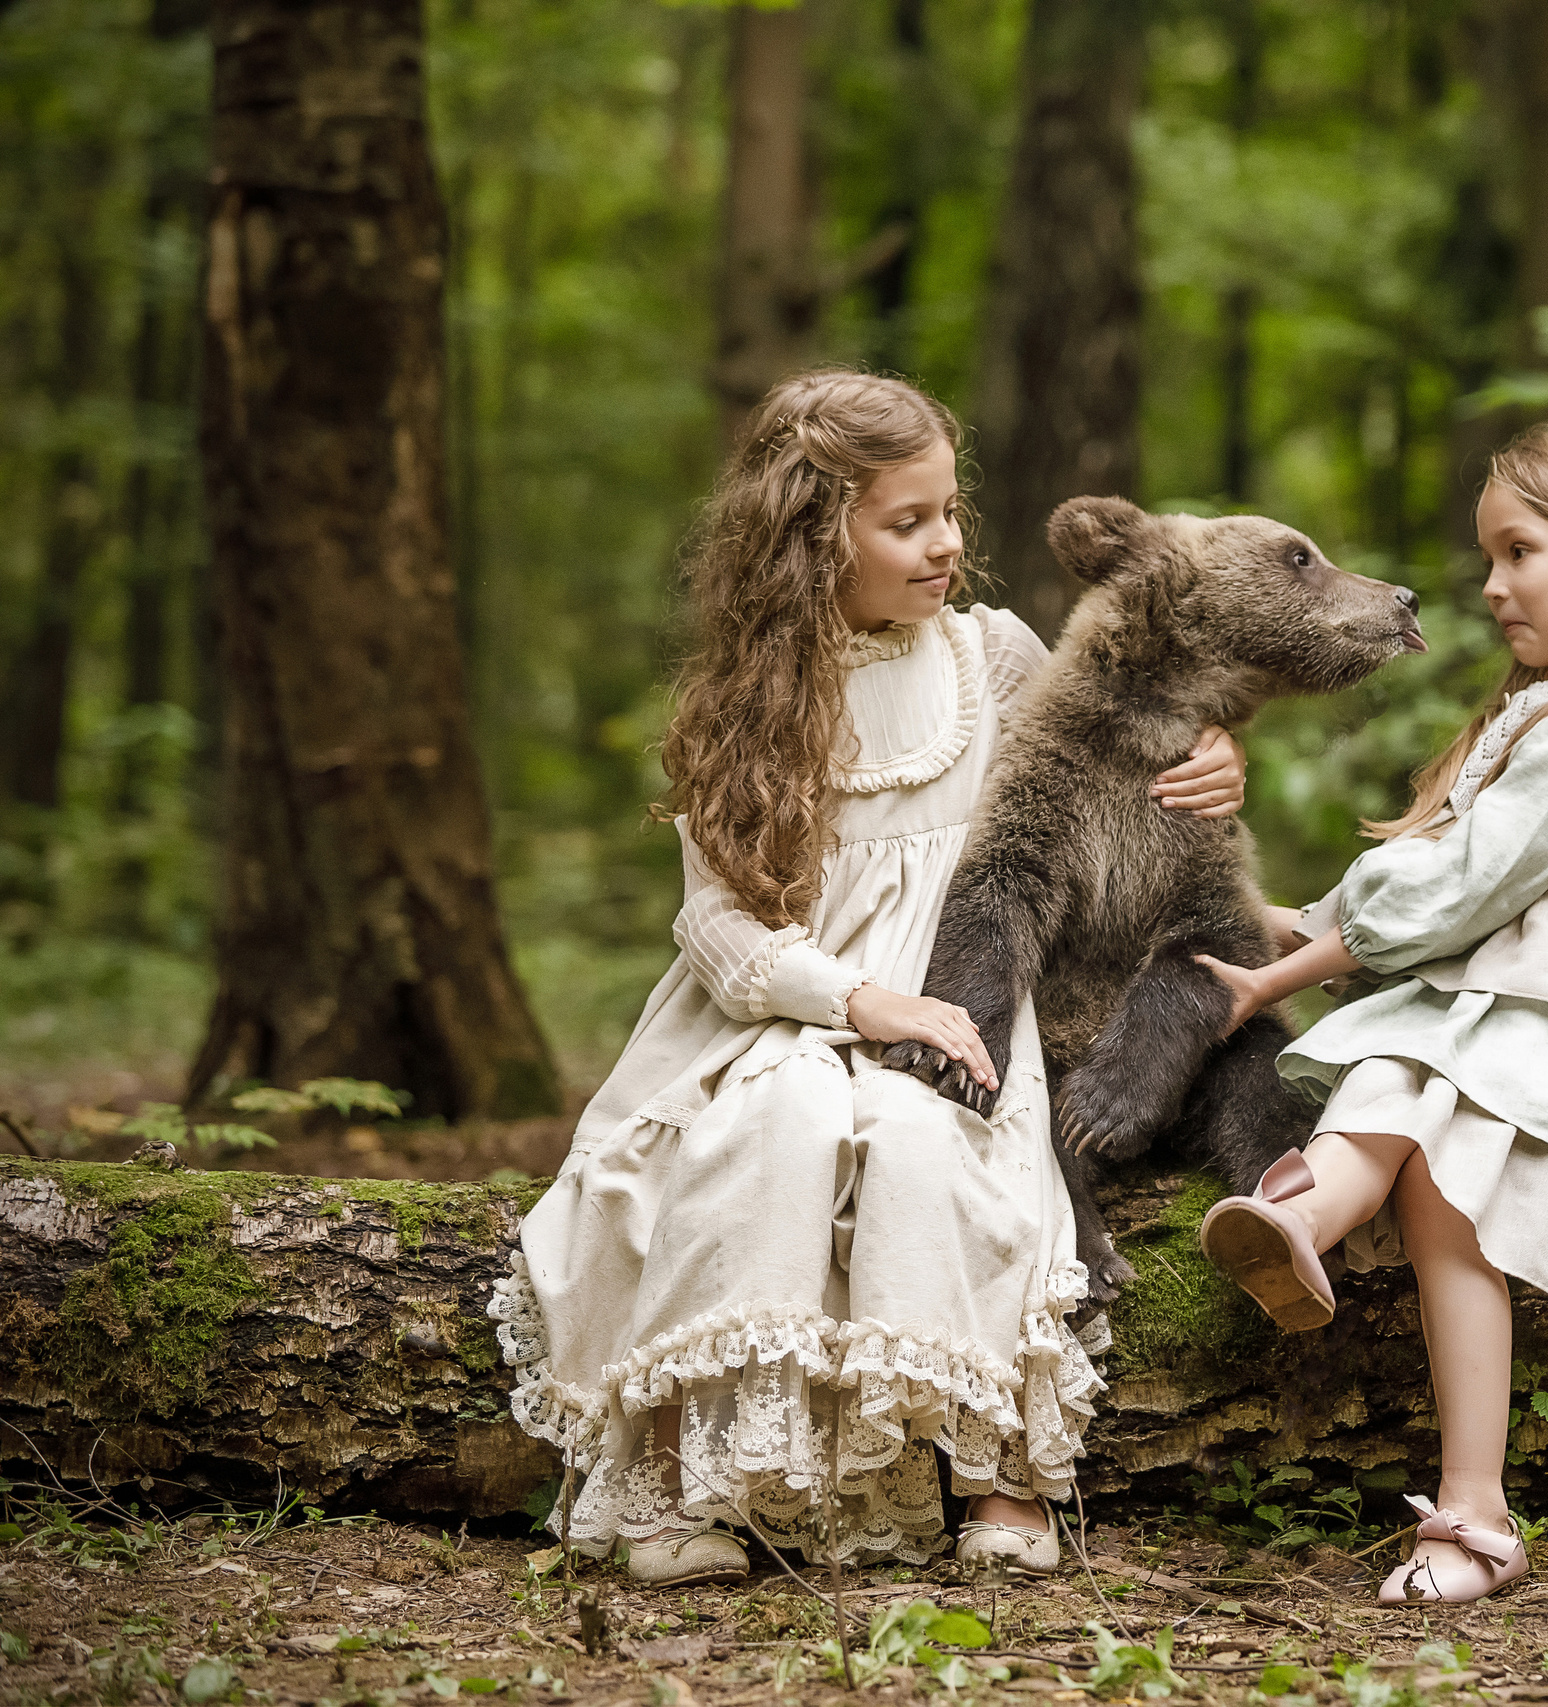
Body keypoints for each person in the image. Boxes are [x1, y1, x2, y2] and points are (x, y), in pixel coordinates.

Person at [490, 369, 1250, 1587]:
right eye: (907, 522)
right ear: (807, 536)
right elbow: (722, 930)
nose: (947, 543)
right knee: (769, 1130)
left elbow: (1116, 750)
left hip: (963, 1000)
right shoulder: (745, 702)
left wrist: (1211, 754)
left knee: (923, 1136)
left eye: (952, 512)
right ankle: (689, 1476)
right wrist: (855, 1000)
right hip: (787, 1009)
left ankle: (999, 1470)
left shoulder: (989, 657)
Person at [1192, 420, 1548, 1607]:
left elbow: (1460, 889)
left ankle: (1473, 1507)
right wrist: (1296, 920)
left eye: (1517, 553)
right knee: (1392, 1076)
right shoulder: (1530, 715)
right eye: (1490, 557)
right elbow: (1430, 870)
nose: (1490, 587)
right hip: (1471, 1012)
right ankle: (1298, 1221)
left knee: (1447, 1186)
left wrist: (1282, 976)